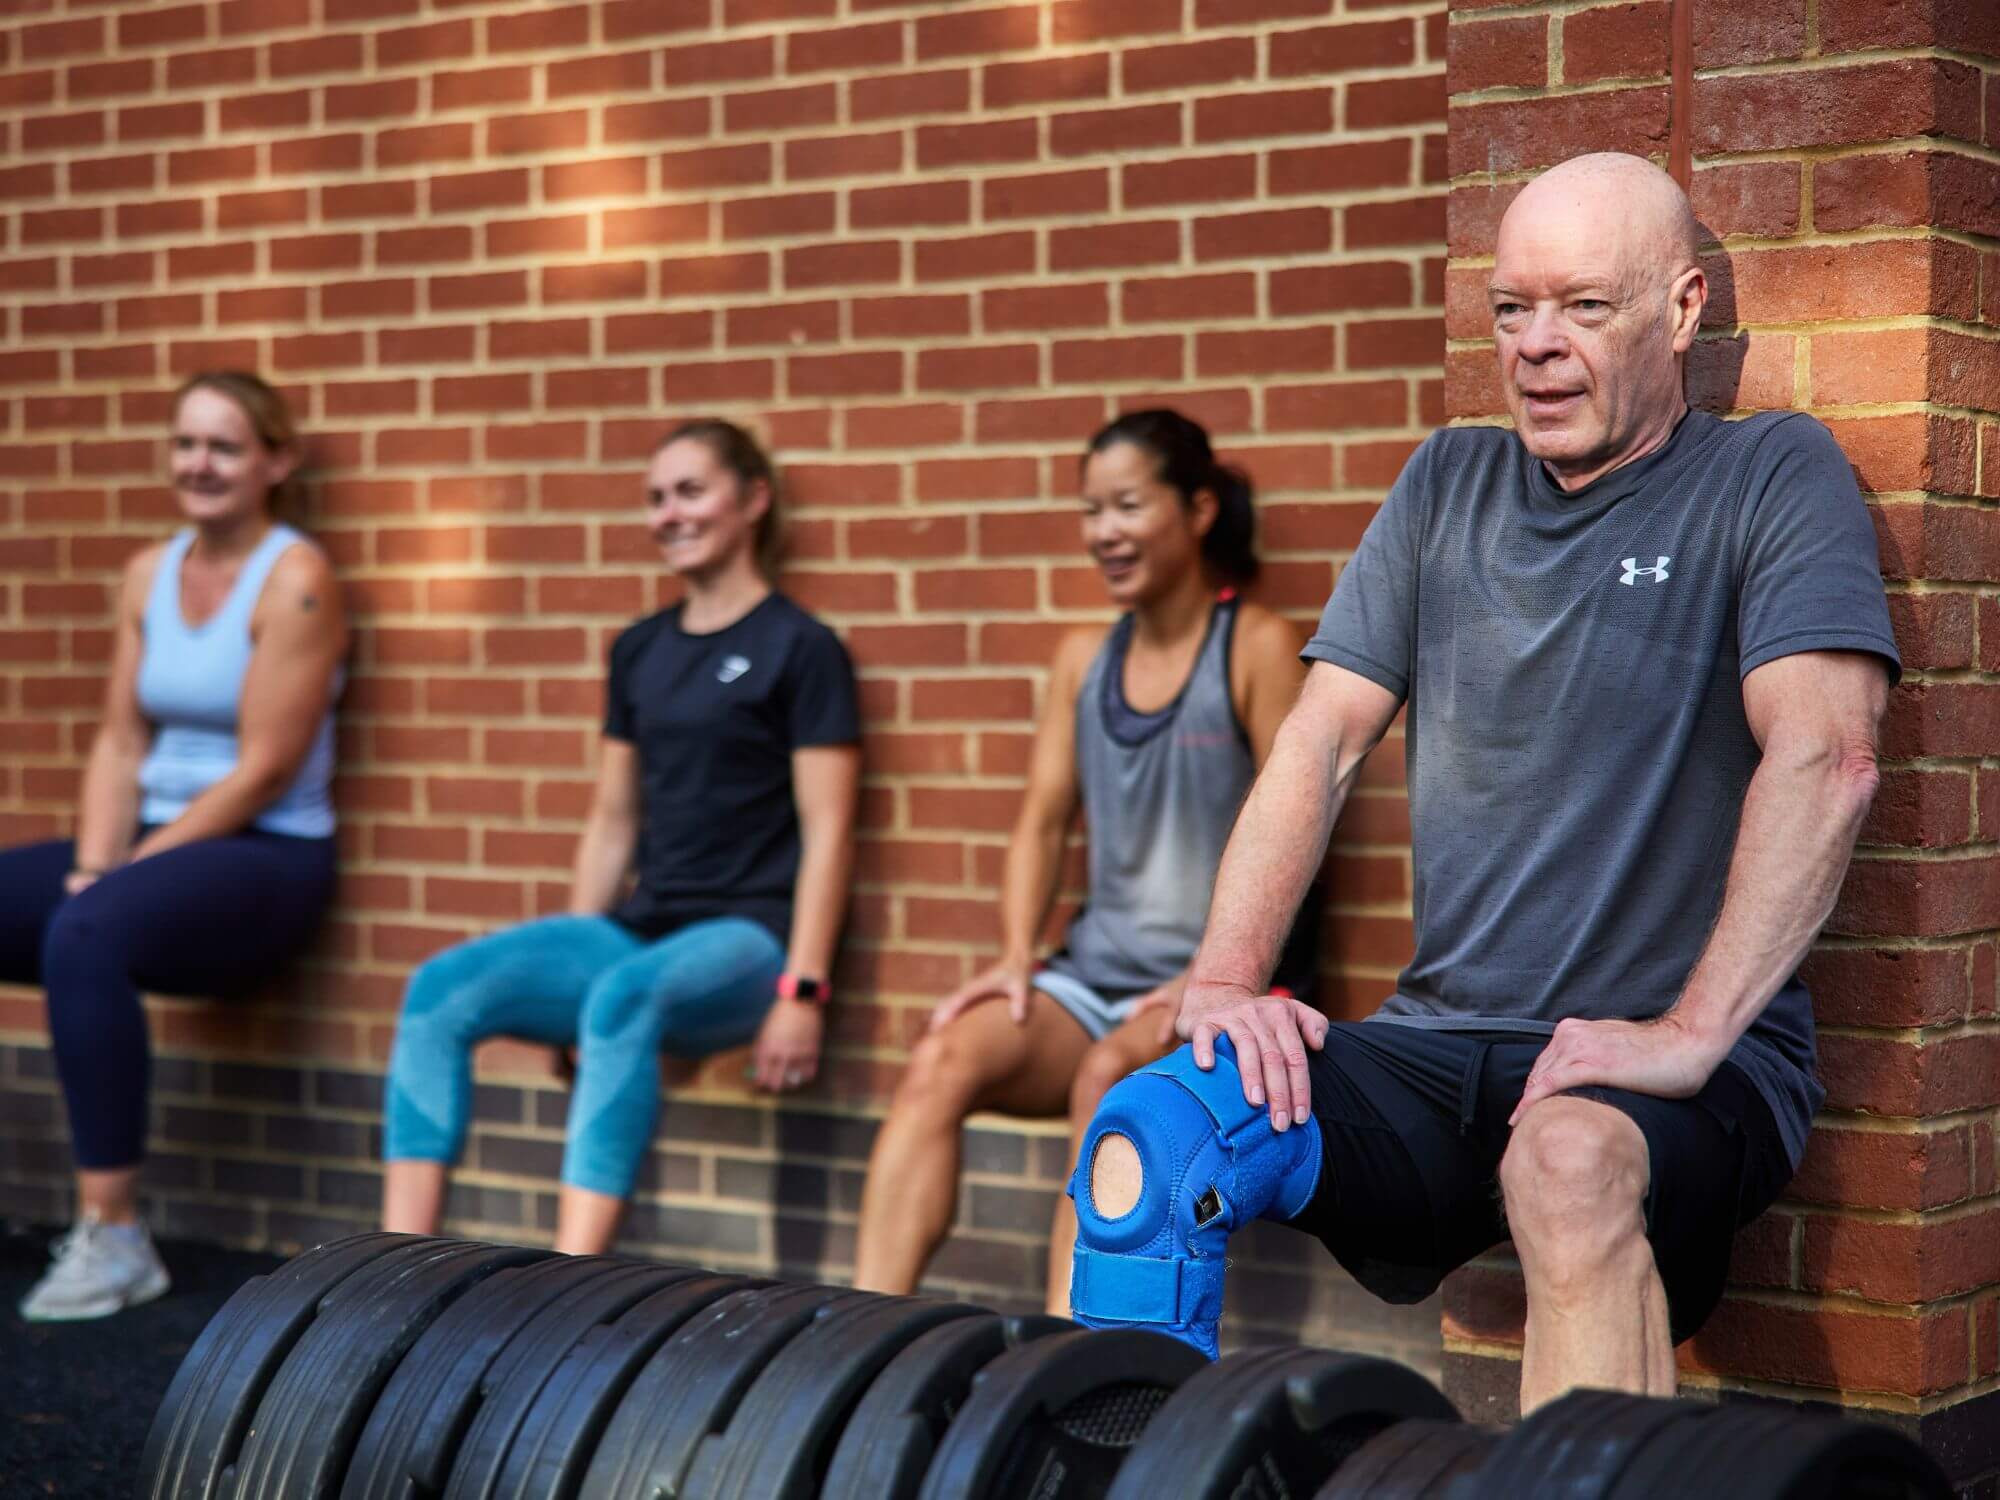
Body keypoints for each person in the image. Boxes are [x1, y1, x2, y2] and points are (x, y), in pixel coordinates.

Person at [1067, 153, 1899, 1406]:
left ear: (1680, 313)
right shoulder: (1444, 483)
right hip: (1436, 1050)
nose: (1535, 346)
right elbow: (1318, 741)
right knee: (1151, 1135)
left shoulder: (1767, 477)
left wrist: (1684, 1037)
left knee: (1563, 1164)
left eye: (1581, 307)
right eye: (1512, 309)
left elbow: (1825, 756)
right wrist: (1227, 982)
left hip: (1672, 1072)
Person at [853, 409, 1314, 1313]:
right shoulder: (1081, 659)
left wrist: (1214, 975)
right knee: (942, 1056)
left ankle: (1065, 1357)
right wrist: (1018, 957)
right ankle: (858, 1337)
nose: (1103, 532)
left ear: (1199, 510)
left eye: (1128, 506)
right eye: (1090, 511)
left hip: (1221, 986)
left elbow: (1298, 829)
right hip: (1094, 974)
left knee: (1108, 1079)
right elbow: (1039, 822)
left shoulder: (1255, 645)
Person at [380, 419, 860, 1255]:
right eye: (655, 497)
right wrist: (573, 936)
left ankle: (571, 1279)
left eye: (690, 491)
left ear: (752, 500)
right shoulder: (639, 650)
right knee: (438, 991)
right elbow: (612, 822)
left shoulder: (801, 649)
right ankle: (395, 1265)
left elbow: (831, 830)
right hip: (641, 925)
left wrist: (803, 992)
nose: (668, 514)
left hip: (749, 937)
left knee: (623, 997)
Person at [1, 371, 346, 1320]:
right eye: (186, 442)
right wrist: (99, 857)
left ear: (276, 461)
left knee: (85, 929)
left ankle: (114, 1239)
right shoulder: (149, 572)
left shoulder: (297, 580)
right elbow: (120, 739)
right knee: (61, 904)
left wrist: (116, 878)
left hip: (266, 857)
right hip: (154, 843)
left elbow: (263, 772)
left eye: (226, 446)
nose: (199, 463)